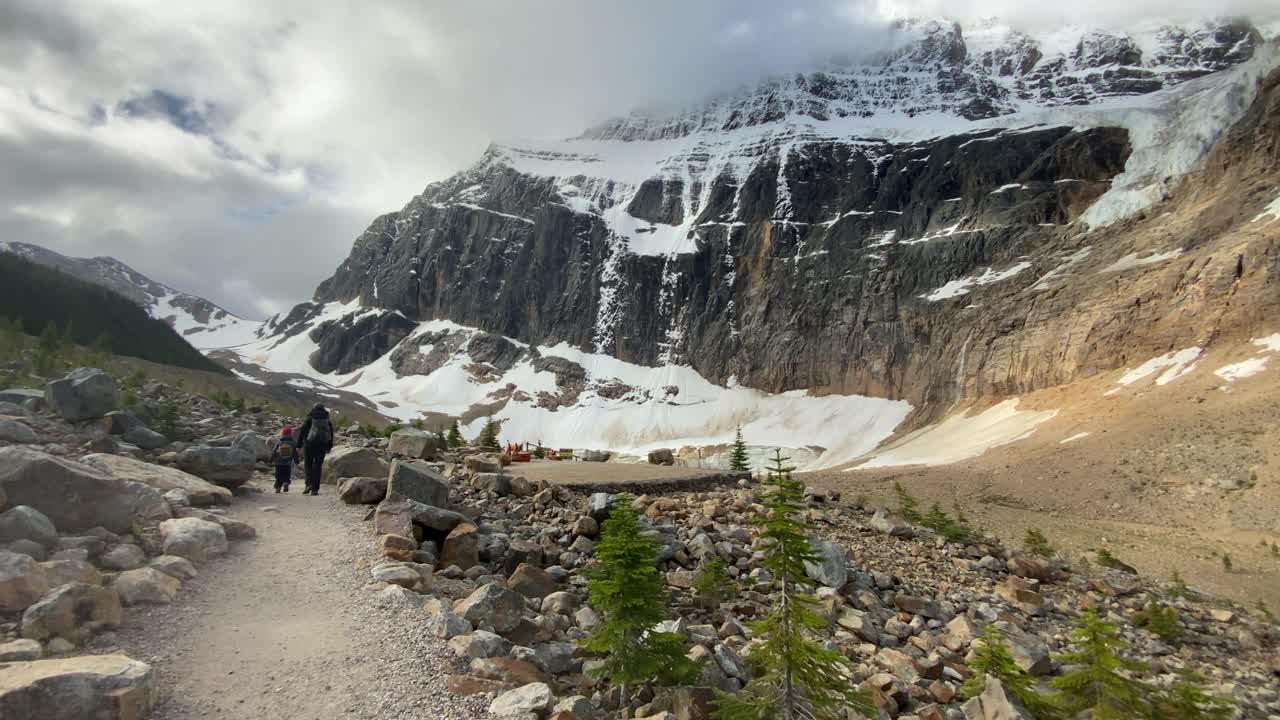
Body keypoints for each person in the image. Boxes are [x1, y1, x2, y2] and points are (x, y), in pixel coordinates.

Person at [297, 403, 334, 495]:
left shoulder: (310, 417)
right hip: (322, 445)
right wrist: (329, 447)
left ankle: (308, 484)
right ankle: (315, 489)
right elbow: (331, 434)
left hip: (309, 445)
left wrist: (299, 444)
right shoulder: (327, 420)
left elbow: (302, 430)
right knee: (318, 466)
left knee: (308, 464)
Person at [268, 425, 299, 493]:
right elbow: (295, 453)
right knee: (286, 475)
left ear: (283, 434)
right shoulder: (293, 443)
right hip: (288, 463)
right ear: (290, 434)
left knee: (278, 476)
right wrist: (297, 461)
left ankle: (278, 488)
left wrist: (270, 460)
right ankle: (286, 483)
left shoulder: (279, 442)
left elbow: (274, 451)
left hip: (278, 463)